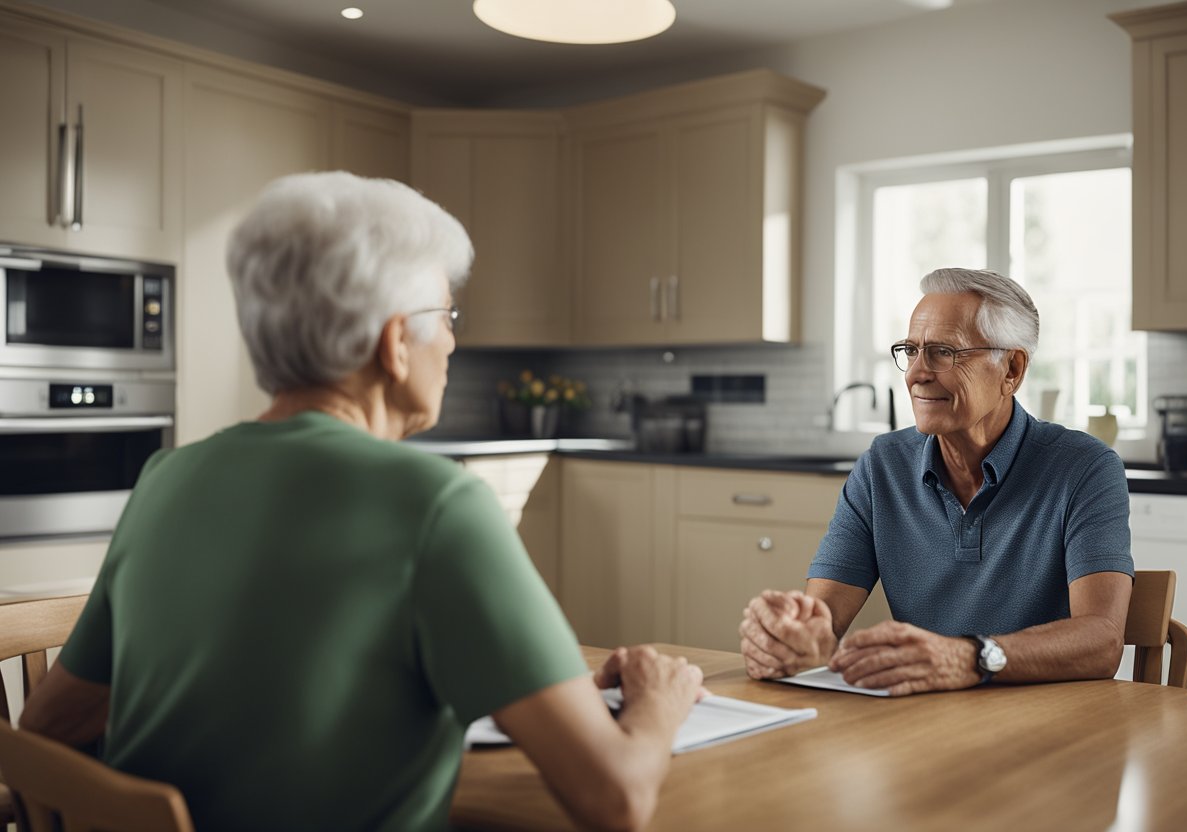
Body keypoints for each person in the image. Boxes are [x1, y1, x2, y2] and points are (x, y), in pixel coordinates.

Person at [20, 171, 703, 832]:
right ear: (395, 343)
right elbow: (614, 798)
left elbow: (47, 724)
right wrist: (659, 702)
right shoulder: (437, 505)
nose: (453, 341)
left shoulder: (166, 478)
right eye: (446, 316)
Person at [739, 268, 1134, 696]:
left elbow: (1102, 641)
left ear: (1012, 369)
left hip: (1050, 721)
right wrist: (791, 638)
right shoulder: (881, 467)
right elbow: (823, 619)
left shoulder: (1085, 468)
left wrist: (966, 658)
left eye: (943, 352)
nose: (917, 373)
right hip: (923, 718)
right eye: (911, 350)